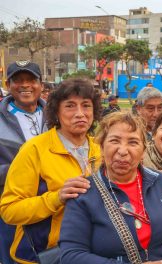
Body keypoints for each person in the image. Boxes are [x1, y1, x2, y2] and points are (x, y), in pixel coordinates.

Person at [59, 112, 162, 263]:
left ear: (143, 151)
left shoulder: (161, 182)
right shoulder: (83, 193)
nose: (123, 151)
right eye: (114, 141)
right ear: (102, 147)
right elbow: (71, 255)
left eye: (133, 142)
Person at [0, 78, 101, 263]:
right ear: (56, 112)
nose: (80, 114)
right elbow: (9, 210)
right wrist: (56, 198)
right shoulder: (34, 150)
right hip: (45, 255)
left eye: (86, 106)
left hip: (90, 254)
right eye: (70, 106)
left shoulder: (100, 149)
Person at [0, 61, 46, 264]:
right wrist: (22, 171)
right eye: (18, 80)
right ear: (8, 84)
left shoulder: (57, 116)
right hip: (11, 210)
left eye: (31, 80)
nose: (25, 85)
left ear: (41, 85)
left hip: (51, 206)